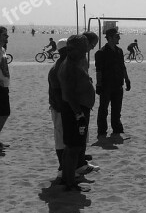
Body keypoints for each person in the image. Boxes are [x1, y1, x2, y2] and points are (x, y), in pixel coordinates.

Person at [58, 35, 95, 191]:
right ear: (73, 49)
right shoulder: (70, 66)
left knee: (71, 146)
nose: (86, 51)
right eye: (83, 49)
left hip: (76, 109)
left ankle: (67, 178)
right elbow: (70, 94)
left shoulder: (74, 62)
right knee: (73, 147)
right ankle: (70, 182)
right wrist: (79, 115)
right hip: (75, 111)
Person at [94, 27, 131, 137]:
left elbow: (122, 67)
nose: (119, 37)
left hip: (118, 84)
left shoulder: (119, 51)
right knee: (103, 110)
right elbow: (98, 70)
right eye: (116, 36)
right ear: (109, 38)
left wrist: (127, 79)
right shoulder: (101, 53)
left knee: (117, 109)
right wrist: (99, 84)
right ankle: (102, 131)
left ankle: (117, 129)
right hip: (106, 85)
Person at [48, 38, 69, 176]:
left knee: (65, 138)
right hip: (60, 109)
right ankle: (63, 166)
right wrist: (63, 109)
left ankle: (67, 165)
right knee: (61, 139)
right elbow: (56, 92)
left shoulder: (64, 65)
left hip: (64, 108)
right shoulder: (58, 67)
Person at [0, 27, 10, 151]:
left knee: (4, 113)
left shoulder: (2, 50)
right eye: (4, 35)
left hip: (4, 86)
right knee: (4, 113)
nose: (7, 37)